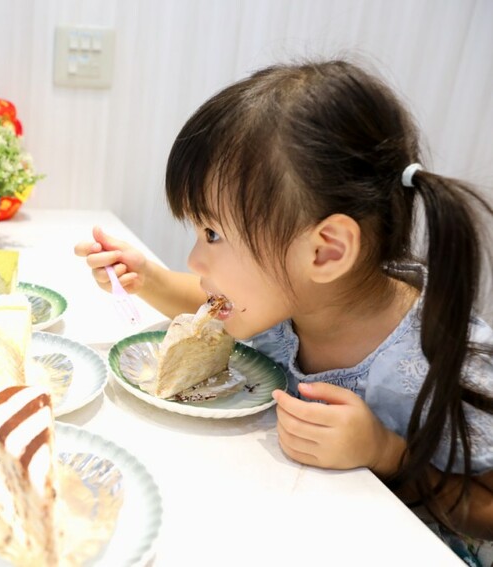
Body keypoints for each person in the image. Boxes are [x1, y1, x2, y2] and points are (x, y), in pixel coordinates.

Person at [75, 59, 493, 563]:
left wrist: (385, 453)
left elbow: (486, 511)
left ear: (326, 251)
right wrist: (150, 279)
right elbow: (213, 307)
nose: (194, 259)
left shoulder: (440, 358)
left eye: (213, 234)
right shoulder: (290, 298)